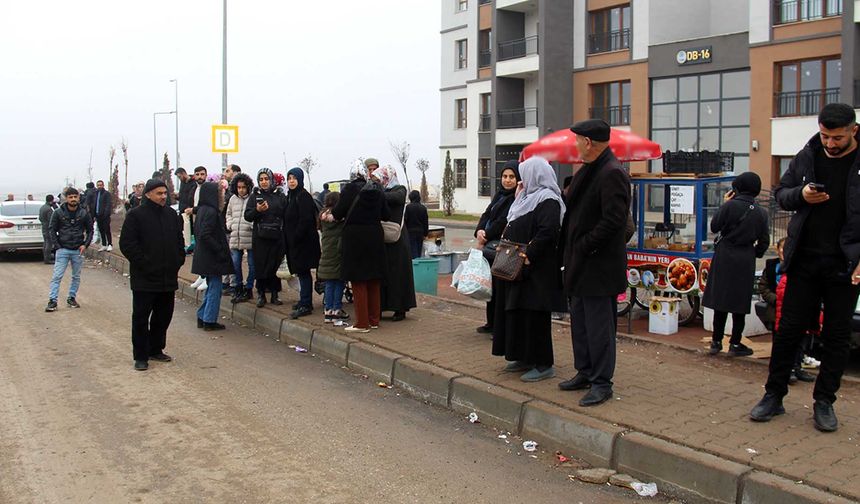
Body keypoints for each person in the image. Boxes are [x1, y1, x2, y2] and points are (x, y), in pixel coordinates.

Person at [750, 103, 860, 432]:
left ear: (853, 131)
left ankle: (824, 402)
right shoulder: (808, 154)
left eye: (837, 137)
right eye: (825, 135)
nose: (830, 143)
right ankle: (774, 395)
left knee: (837, 336)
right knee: (788, 330)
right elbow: (781, 194)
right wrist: (802, 195)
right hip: (804, 259)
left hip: (845, 263)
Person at [558, 119, 631, 407]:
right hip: (581, 264)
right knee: (582, 323)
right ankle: (585, 371)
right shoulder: (589, 170)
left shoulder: (612, 173)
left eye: (577, 140)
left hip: (599, 266)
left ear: (588, 142)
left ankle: (602, 382)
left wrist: (585, 245)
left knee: (600, 327)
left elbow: (614, 220)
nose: (575, 145)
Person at [491, 157, 564, 382]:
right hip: (517, 269)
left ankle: (543, 364)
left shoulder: (549, 199)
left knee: (534, 315)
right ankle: (523, 356)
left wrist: (528, 255)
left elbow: (547, 231)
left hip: (536, 271)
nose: (521, 180)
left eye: (524, 174)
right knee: (518, 312)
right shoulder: (525, 197)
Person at [119, 179, 185, 371]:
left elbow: (179, 241)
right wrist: (144, 263)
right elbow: (127, 244)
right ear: (148, 194)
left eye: (165, 193)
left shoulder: (171, 215)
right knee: (141, 318)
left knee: (163, 316)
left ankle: (156, 348)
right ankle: (141, 355)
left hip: (167, 277)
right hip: (145, 278)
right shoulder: (136, 216)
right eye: (159, 193)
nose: (163, 196)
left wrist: (178, 260)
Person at [703, 172, 770, 357]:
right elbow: (764, 241)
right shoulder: (761, 213)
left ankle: (716, 342)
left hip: (724, 255)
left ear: (737, 187)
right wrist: (754, 253)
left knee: (721, 299)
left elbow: (715, 226)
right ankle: (735, 343)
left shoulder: (730, 206)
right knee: (740, 302)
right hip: (745, 257)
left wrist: (724, 204)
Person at [331, 163, 390, 333]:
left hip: (355, 238)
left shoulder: (349, 189)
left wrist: (330, 215)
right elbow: (385, 214)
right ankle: (374, 320)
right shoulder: (377, 189)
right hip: (375, 236)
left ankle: (362, 323)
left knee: (358, 280)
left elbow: (338, 213)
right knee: (373, 279)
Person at [759, 238, 817, 384]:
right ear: (777, 250)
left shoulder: (799, 267)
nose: (785, 252)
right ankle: (785, 370)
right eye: (782, 249)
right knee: (781, 342)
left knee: (800, 342)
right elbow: (764, 287)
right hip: (777, 311)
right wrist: (776, 299)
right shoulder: (772, 267)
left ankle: (797, 367)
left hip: (797, 310)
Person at [475, 160, 520, 333]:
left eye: (512, 177)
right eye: (504, 176)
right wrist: (479, 230)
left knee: (502, 290)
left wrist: (486, 234)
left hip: (502, 249)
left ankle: (500, 327)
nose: (507, 180)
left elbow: (504, 221)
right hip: (489, 248)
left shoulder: (516, 197)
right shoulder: (499, 195)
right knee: (490, 288)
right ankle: (491, 323)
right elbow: (487, 214)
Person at [372, 165, 416, 321]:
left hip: (397, 239)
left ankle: (400, 308)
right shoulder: (381, 192)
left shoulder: (399, 189)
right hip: (383, 238)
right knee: (383, 275)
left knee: (398, 274)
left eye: (378, 179)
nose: (376, 182)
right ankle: (381, 306)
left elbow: (396, 198)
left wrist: (377, 193)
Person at [191, 182, 233, 331]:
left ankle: (203, 316)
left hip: (204, 256)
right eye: (219, 193)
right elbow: (206, 234)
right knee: (215, 288)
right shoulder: (211, 212)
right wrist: (219, 250)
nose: (221, 196)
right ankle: (209, 320)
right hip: (211, 258)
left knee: (210, 287)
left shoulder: (202, 210)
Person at [244, 168, 288, 308]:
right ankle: (261, 294)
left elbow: (285, 213)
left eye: (266, 179)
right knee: (261, 266)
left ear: (271, 180)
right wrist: (258, 210)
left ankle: (275, 294)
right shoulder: (255, 196)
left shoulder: (279, 196)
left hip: (276, 236)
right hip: (260, 237)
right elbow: (247, 215)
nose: (264, 182)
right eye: (261, 179)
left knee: (274, 265)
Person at [45, 187, 93, 312]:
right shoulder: (58, 213)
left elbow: (90, 230)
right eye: (70, 197)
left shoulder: (84, 213)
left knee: (76, 276)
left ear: (78, 198)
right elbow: (51, 229)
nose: (73, 199)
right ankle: (52, 301)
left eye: (75, 197)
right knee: (57, 276)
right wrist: (58, 246)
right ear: (66, 198)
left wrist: (85, 244)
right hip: (63, 249)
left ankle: (71, 298)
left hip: (78, 250)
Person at [283, 167, 321, 319]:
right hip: (294, 242)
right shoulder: (291, 196)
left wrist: (296, 236)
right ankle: (303, 300)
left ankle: (306, 303)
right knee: (300, 272)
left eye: (294, 178)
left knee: (304, 272)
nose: (291, 181)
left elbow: (305, 220)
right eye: (289, 178)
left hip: (303, 242)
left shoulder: (303, 196)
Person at [318, 192, 350, 323]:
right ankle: (337, 309)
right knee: (339, 282)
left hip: (326, 253)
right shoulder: (340, 216)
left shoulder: (322, 216)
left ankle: (328, 310)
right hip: (338, 253)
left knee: (329, 283)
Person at [226, 173, 255, 303]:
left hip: (249, 235)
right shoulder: (232, 199)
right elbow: (228, 214)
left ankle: (249, 287)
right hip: (235, 236)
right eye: (239, 187)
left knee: (252, 265)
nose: (241, 190)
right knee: (235, 264)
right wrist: (230, 224)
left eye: (243, 187)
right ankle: (238, 286)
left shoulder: (253, 198)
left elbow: (256, 214)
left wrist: (250, 224)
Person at [405, 190, 429, 259]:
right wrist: (425, 234)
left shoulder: (408, 207)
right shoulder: (423, 208)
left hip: (410, 232)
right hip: (420, 232)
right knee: (419, 250)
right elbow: (425, 222)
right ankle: (418, 262)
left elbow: (405, 220)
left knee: (413, 250)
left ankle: (414, 265)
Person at [92, 180, 113, 251]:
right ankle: (104, 244)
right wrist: (94, 214)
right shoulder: (96, 194)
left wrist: (106, 213)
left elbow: (108, 204)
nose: (99, 186)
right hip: (98, 215)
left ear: (103, 185)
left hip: (105, 215)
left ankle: (110, 244)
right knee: (101, 230)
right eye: (98, 185)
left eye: (101, 185)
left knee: (107, 230)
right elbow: (94, 204)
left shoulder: (106, 194)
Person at [39, 194, 56, 264]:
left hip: (44, 227)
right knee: (49, 243)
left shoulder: (42, 207)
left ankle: (45, 258)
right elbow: (51, 220)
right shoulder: (49, 209)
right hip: (48, 228)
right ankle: (47, 259)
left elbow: (40, 218)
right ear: (51, 201)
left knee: (45, 243)